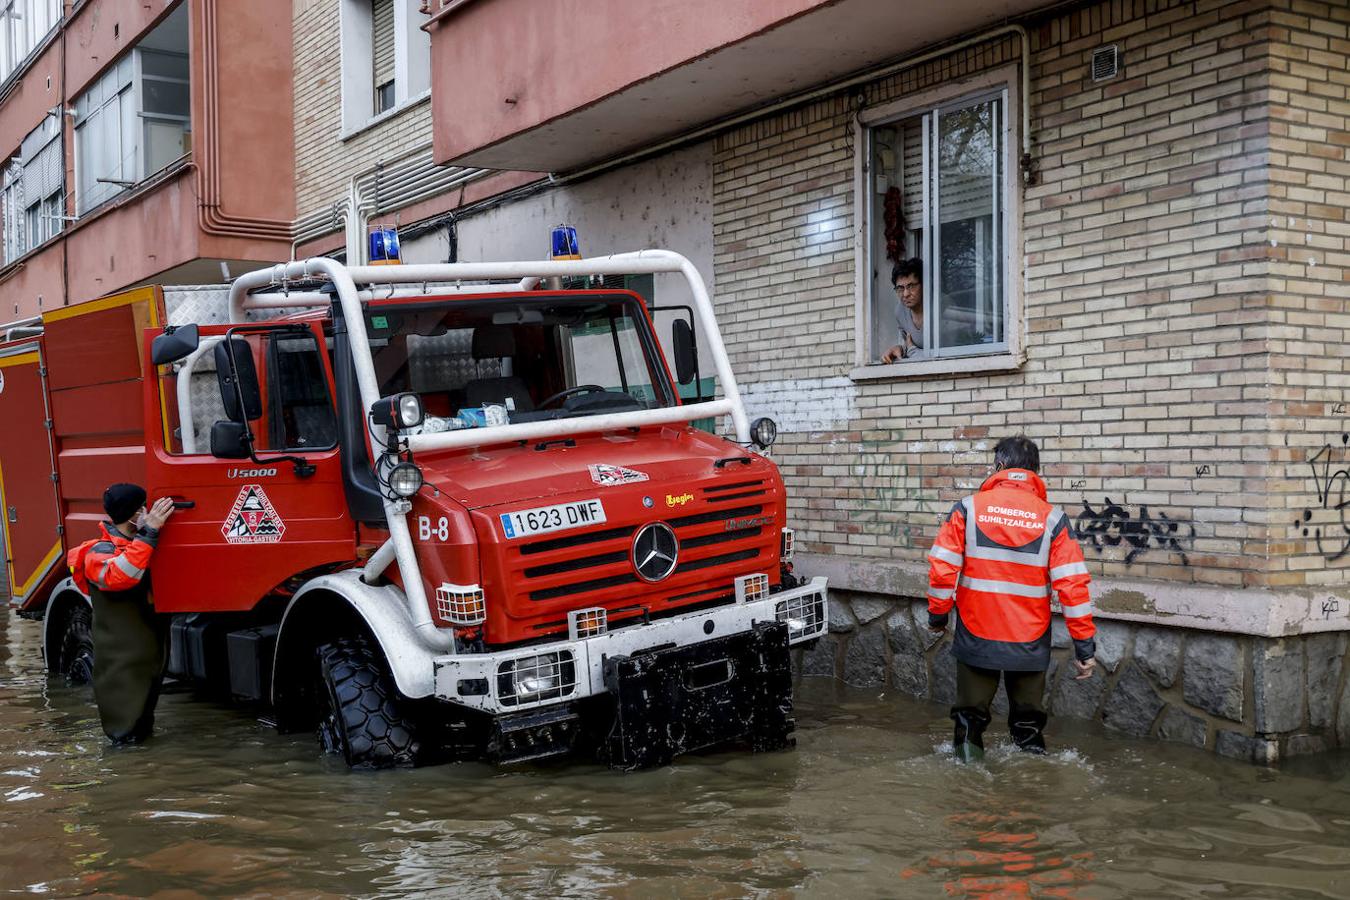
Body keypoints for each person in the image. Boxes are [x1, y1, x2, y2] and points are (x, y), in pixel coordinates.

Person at [924, 436, 1095, 761]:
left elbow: (942, 571)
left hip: (977, 635)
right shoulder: (1053, 519)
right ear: (1036, 472)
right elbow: (1072, 586)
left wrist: (937, 617)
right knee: (1029, 726)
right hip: (1029, 640)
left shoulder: (968, 508)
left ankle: (967, 790)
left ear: (999, 467)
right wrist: (1084, 646)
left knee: (969, 720)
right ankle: (1030, 796)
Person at [67, 484, 176, 744]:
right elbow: (121, 575)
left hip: (144, 655)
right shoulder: (98, 552)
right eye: (143, 507)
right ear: (134, 513)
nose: (148, 511)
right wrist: (149, 532)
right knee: (125, 735)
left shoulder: (137, 543)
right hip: (121, 661)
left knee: (142, 729)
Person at [881, 258, 924, 363]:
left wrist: (912, 351)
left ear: (924, 285)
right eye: (900, 288)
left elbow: (946, 355)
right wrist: (900, 349)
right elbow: (909, 344)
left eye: (911, 286)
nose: (905, 294)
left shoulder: (940, 307)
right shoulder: (900, 311)